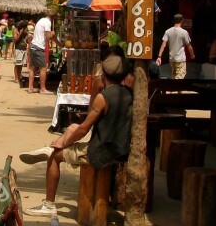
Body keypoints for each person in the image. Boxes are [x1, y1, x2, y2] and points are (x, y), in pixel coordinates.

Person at [19, 55, 133, 216]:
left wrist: (62, 145)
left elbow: (84, 129)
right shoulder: (129, 93)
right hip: (121, 149)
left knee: (55, 156)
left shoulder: (103, 98)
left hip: (101, 152)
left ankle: (49, 203)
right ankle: (51, 148)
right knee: (72, 127)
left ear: (103, 75)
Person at [155, 13, 194, 79]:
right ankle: (176, 89)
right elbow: (189, 46)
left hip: (172, 59)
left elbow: (163, 45)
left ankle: (173, 89)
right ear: (182, 21)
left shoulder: (168, 31)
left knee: (174, 76)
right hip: (180, 59)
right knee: (179, 77)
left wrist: (159, 56)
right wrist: (192, 54)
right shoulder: (184, 32)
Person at [28, 10, 57, 94]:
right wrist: (52, 33)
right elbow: (48, 37)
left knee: (32, 67)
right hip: (39, 47)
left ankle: (30, 87)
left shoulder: (41, 20)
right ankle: (43, 88)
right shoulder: (48, 22)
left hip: (33, 45)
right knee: (43, 68)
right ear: (53, 18)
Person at [13, 20, 29, 84]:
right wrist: (20, 33)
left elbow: (27, 40)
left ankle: (19, 77)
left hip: (24, 48)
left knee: (21, 64)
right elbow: (15, 40)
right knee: (17, 64)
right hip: (18, 48)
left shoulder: (26, 31)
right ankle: (16, 78)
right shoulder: (15, 30)